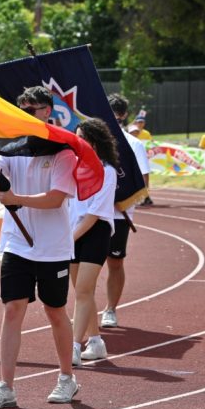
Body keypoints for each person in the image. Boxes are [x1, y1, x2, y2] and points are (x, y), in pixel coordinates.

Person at [0, 86, 79, 409]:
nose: (24, 112)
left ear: (47, 112)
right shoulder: (10, 148)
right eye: (20, 107)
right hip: (17, 243)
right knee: (12, 309)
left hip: (52, 248)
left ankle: (67, 377)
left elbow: (55, 199)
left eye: (31, 108)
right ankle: (6, 386)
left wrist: (15, 199)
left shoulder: (63, 152)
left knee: (55, 311)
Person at [68, 118, 119, 365]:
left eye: (83, 138)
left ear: (95, 143)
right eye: (76, 137)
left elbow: (92, 216)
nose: (78, 142)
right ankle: (96, 342)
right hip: (72, 233)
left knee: (84, 290)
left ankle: (75, 347)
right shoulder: (73, 166)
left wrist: (68, 239)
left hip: (94, 231)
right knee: (81, 292)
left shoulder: (107, 171)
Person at [101, 93, 151, 328]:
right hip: (89, 214)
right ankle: (85, 308)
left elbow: (143, 183)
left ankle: (110, 309)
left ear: (122, 116)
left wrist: (120, 200)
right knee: (82, 264)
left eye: (115, 114)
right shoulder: (91, 141)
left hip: (119, 214)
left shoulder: (134, 145)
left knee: (115, 262)